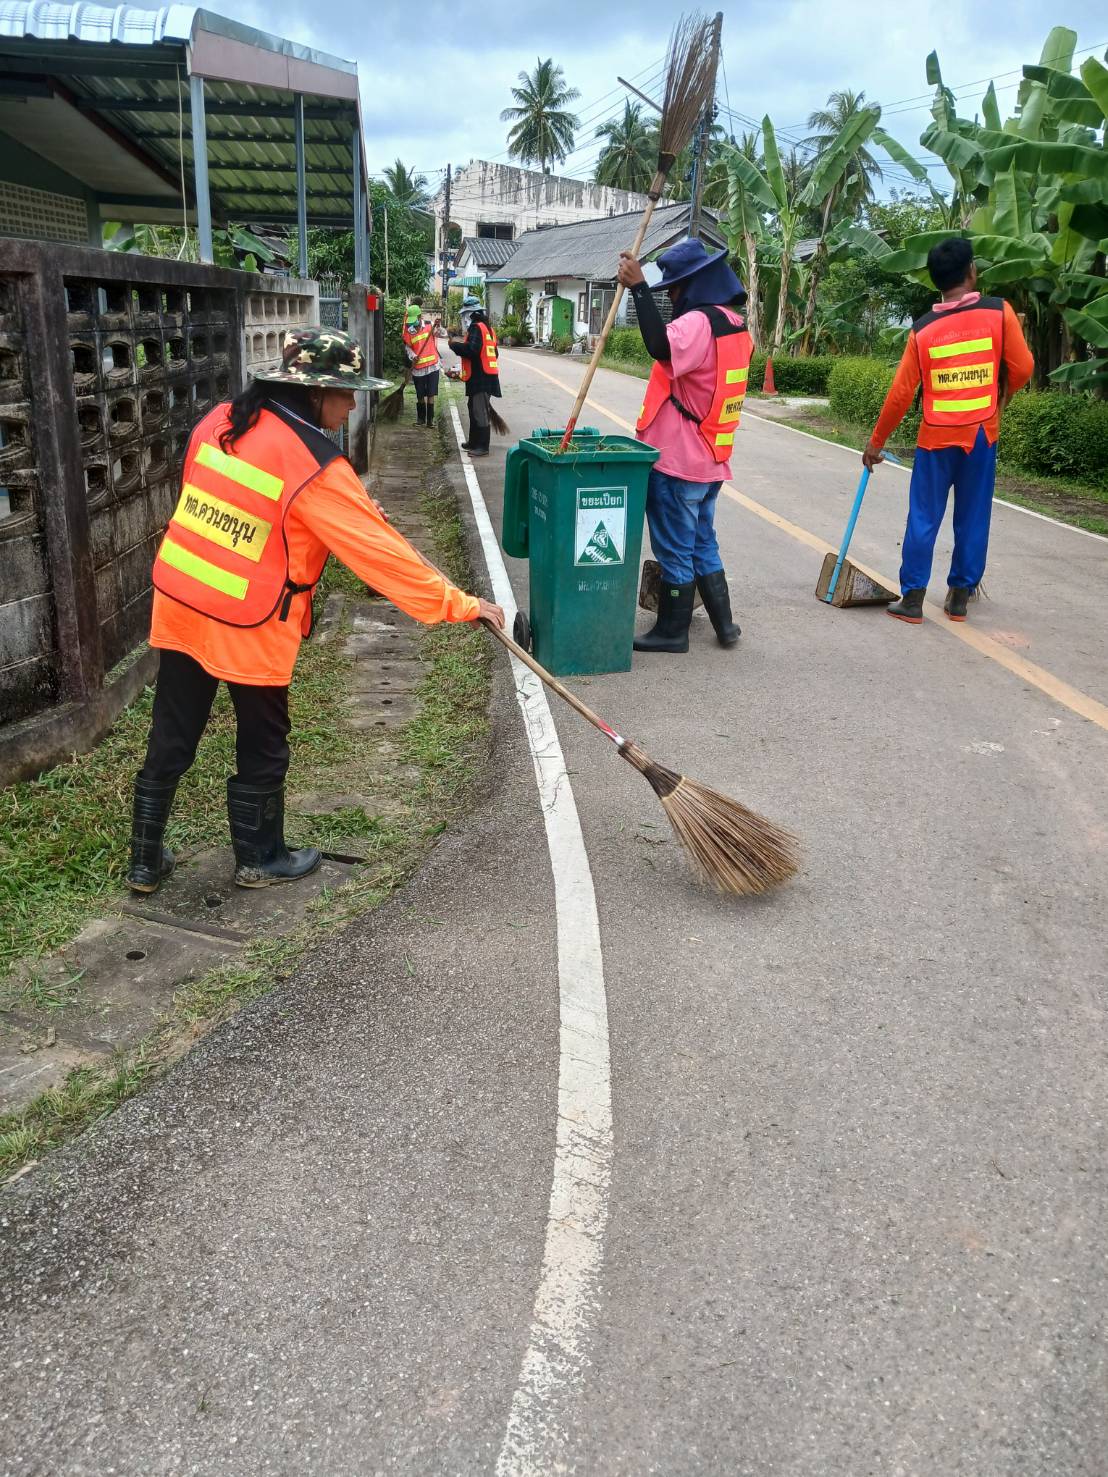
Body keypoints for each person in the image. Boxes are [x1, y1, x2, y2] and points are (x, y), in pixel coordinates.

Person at [126, 327, 504, 895]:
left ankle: (144, 862)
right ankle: (260, 857)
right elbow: (387, 560)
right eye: (345, 392)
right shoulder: (315, 463)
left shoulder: (222, 419)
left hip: (182, 599)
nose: (353, 404)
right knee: (263, 739)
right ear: (311, 392)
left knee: (173, 732)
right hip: (250, 621)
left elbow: (237, 506)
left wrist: (334, 512)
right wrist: (463, 605)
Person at [863, 237, 1035, 624]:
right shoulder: (999, 312)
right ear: (971, 272)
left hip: (935, 436)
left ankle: (912, 599)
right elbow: (1023, 368)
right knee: (973, 514)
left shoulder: (923, 330)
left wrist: (876, 443)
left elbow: (901, 393)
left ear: (936, 280)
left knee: (924, 515)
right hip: (981, 435)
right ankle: (959, 595)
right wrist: (1000, 398)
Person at [616, 238, 752, 654]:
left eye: (674, 289)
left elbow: (660, 347)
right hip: (711, 458)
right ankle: (724, 626)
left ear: (695, 284)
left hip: (678, 461)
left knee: (674, 548)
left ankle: (672, 632)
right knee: (701, 543)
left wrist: (639, 288)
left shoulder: (699, 323)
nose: (672, 297)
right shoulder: (735, 324)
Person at [448, 294, 500, 458]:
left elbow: (472, 350)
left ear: (470, 314)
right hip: (485, 376)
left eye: (465, 315)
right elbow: (494, 353)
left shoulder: (477, 328)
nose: (464, 318)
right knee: (474, 410)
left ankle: (482, 446)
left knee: (479, 412)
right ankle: (473, 442)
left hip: (481, 378)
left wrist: (454, 346)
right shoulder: (488, 329)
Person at [402, 303, 441, 427]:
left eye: (415, 321)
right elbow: (408, 348)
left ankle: (430, 421)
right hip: (418, 369)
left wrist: (438, 327)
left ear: (420, 317)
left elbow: (441, 334)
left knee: (430, 394)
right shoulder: (409, 332)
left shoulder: (430, 326)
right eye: (411, 322)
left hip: (432, 366)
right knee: (420, 394)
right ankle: (420, 419)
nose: (413, 324)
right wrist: (414, 356)